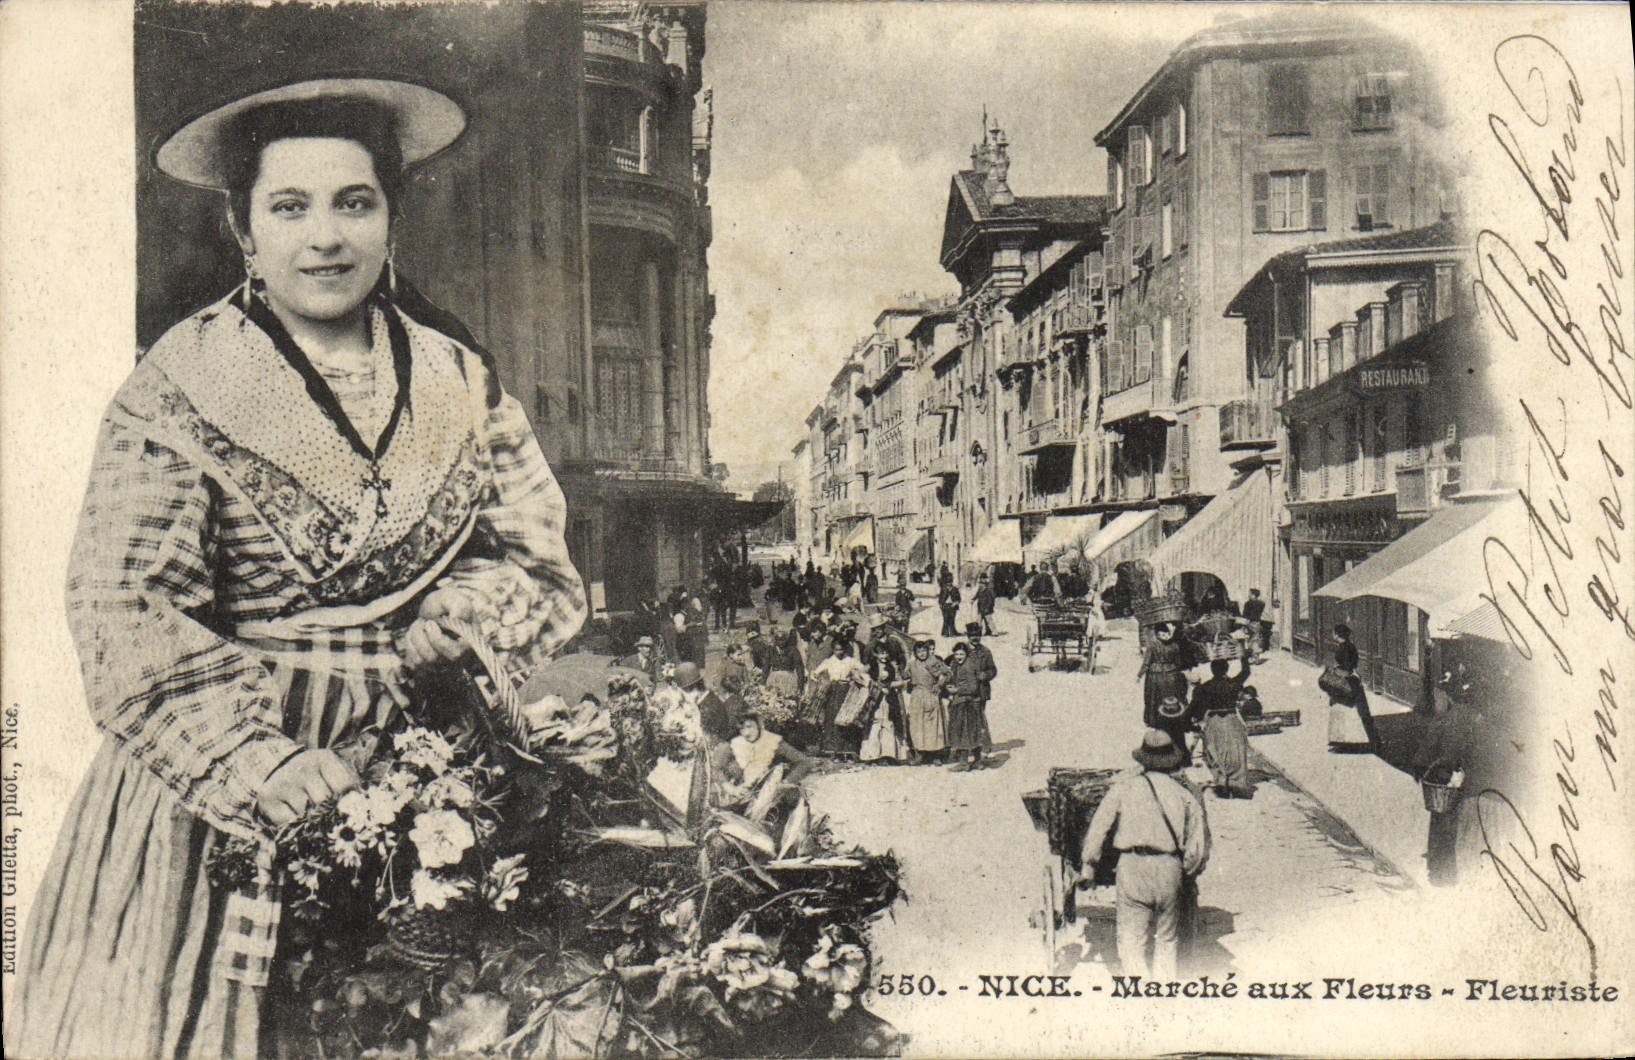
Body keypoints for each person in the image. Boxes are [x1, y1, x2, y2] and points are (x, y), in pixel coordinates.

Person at [6, 80, 591, 1060]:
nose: (325, 237)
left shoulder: (459, 379)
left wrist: (463, 614)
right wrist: (259, 762)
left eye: (354, 202)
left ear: (391, 217)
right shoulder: (179, 384)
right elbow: (125, 604)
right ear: (243, 230)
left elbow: (532, 556)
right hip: (225, 791)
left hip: (427, 764)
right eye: (289, 207)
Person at [1079, 731, 1210, 980]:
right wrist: (1184, 872)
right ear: (1171, 761)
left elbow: (1099, 828)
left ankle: (1139, 990)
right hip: (1169, 867)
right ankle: (1164, 990)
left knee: (1131, 941)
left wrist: (1089, 865)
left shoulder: (1123, 789)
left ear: (1143, 759)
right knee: (1167, 940)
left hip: (1133, 866)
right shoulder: (1184, 795)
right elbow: (1197, 846)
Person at [1192, 658, 1254, 797]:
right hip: (1232, 720)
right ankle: (1236, 783)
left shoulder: (1205, 687)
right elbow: (1246, 672)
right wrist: (1244, 657)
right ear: (1227, 669)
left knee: (1216, 752)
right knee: (1236, 751)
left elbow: (1195, 708)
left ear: (1212, 670)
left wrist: (1191, 722)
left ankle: (1221, 782)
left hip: (1214, 721)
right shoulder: (1234, 684)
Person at [1138, 621, 1197, 762]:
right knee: (1172, 697)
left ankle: (1158, 719)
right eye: (1162, 634)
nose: (1165, 636)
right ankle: (1174, 716)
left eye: (1166, 633)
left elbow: (1147, 662)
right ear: (1158, 634)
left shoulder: (1152, 646)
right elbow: (1179, 663)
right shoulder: (1174, 646)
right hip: (1171, 675)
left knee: (1155, 699)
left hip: (1156, 677)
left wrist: (1139, 674)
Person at [810, 637, 869, 755]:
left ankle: (845, 748)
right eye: (836, 650)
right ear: (833, 650)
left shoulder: (850, 661)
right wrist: (819, 681)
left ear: (844, 649)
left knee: (845, 717)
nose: (839, 652)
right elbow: (815, 673)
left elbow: (864, 669)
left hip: (845, 691)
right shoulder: (829, 661)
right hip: (832, 691)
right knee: (831, 716)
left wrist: (859, 678)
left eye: (841, 649)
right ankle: (830, 748)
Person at [1327, 624, 1377, 751]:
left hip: (1345, 681)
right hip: (1353, 680)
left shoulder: (1342, 648)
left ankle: (1344, 741)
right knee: (1359, 710)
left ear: (1337, 635)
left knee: (1342, 709)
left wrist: (1337, 670)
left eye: (1334, 633)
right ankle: (1366, 740)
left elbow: (1346, 666)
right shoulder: (1351, 646)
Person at [944, 642, 994, 769]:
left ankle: (965, 762)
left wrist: (957, 690)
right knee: (971, 732)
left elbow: (973, 687)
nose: (958, 657)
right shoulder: (956, 665)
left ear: (966, 654)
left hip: (968, 704)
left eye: (961, 654)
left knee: (965, 732)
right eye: (956, 654)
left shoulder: (969, 666)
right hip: (964, 703)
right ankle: (976, 761)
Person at [903, 639, 950, 762]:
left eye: (924, 651)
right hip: (917, 697)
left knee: (932, 726)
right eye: (919, 651)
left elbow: (946, 674)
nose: (922, 654)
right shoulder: (912, 664)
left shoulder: (933, 662)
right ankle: (920, 753)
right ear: (915, 653)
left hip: (930, 695)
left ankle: (936, 755)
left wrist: (939, 685)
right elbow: (905, 676)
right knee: (917, 725)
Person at [858, 651, 909, 763]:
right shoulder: (870, 666)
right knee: (874, 724)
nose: (884, 656)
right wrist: (873, 684)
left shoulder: (892, 667)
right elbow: (859, 675)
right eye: (881, 653)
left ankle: (888, 754)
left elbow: (900, 682)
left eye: (886, 653)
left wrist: (889, 685)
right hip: (874, 699)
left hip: (888, 699)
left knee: (888, 724)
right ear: (875, 654)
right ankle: (872, 755)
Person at [1241, 588, 1268, 656]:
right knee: (1255, 639)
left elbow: (1244, 615)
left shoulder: (1247, 604)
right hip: (1256, 623)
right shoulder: (1261, 603)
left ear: (1254, 595)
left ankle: (1251, 653)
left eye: (1250, 594)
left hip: (1249, 623)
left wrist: (1244, 623)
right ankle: (1255, 655)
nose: (1248, 595)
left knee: (1250, 639)